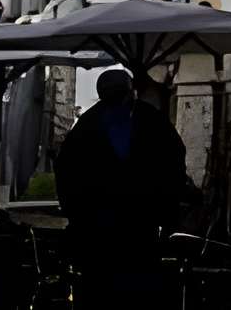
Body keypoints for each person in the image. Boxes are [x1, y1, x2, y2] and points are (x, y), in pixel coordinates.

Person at [58, 67, 190, 308]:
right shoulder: (92, 126)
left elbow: (173, 161)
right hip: (104, 231)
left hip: (135, 227)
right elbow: (68, 174)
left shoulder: (146, 121)